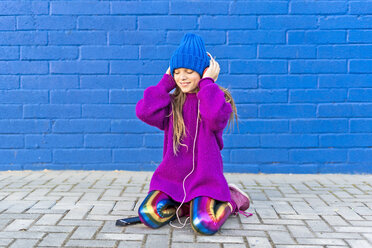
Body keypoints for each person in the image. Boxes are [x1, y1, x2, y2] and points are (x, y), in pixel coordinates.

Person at [135, 33, 251, 235]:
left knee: (204, 223)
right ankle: (187, 205)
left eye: (189, 71)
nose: (182, 77)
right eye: (177, 72)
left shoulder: (216, 98)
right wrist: (165, 83)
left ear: (204, 71)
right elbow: (144, 111)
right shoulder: (171, 103)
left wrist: (208, 84)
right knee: (147, 214)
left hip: (205, 181)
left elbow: (215, 118)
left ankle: (232, 200)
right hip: (171, 180)